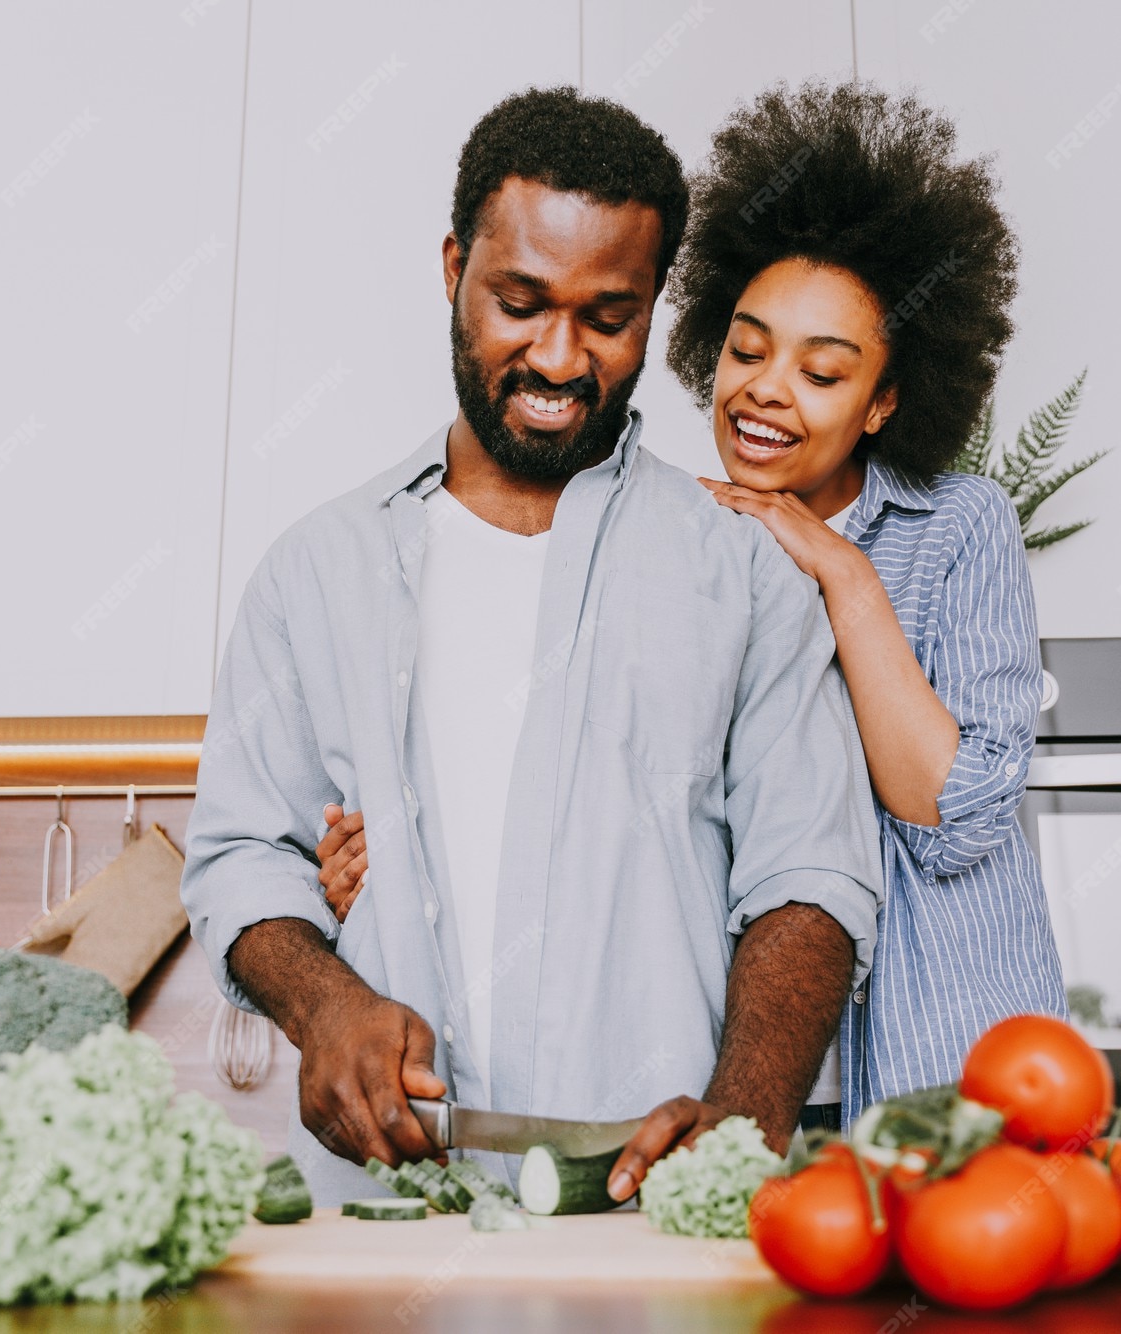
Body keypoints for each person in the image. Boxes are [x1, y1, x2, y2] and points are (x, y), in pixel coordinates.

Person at [180, 86, 883, 1207]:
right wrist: (324, 1003)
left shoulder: (744, 572)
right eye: (519, 302)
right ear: (453, 264)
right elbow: (240, 855)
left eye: (607, 318)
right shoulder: (313, 573)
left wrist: (742, 1117)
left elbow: (810, 873)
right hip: (382, 1219)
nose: (558, 359)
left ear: (653, 306)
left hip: (648, 1227)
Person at [673, 82, 1068, 1119]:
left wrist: (842, 570)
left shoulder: (959, 527)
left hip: (946, 1063)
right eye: (747, 349)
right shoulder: (679, 543)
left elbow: (951, 817)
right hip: (752, 1070)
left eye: (821, 371)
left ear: (884, 399)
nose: (763, 390)